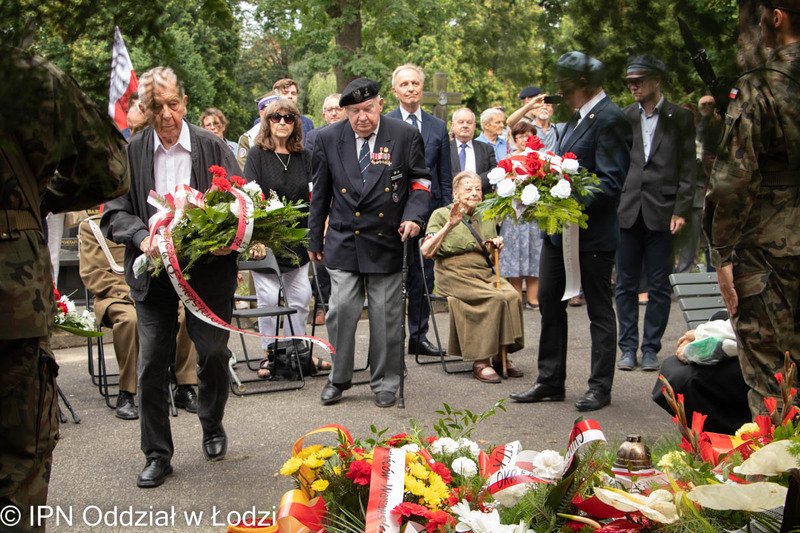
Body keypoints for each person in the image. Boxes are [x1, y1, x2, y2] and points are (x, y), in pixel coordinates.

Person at [0, 44, 129, 532]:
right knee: (18, 452)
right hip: (10, 293)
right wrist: (40, 199)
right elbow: (109, 168)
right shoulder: (28, 76)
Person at [102, 66, 240, 488]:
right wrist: (142, 237)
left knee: (214, 353)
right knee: (150, 365)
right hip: (154, 274)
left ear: (184, 102)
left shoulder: (212, 146)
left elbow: (243, 199)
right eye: (156, 107)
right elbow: (114, 213)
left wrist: (226, 236)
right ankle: (157, 454)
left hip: (207, 272)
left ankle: (211, 422)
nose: (166, 114)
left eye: (173, 104)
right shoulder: (130, 152)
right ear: (143, 109)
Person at [510, 51, 633, 412]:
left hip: (591, 235)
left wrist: (561, 204)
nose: (557, 89)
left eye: (563, 81)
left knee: (598, 309)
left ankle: (599, 387)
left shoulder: (610, 118)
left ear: (582, 82)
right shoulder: (576, 119)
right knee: (549, 300)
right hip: (558, 233)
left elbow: (611, 182)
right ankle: (550, 380)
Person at [308, 78, 431, 408]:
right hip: (344, 239)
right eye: (353, 111)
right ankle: (339, 377)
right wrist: (313, 235)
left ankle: (386, 381)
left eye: (367, 109)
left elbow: (420, 181)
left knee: (386, 316)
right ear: (344, 111)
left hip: (388, 238)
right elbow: (319, 193)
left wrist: (414, 217)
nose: (362, 117)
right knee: (341, 309)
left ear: (379, 104)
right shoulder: (327, 138)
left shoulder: (403, 135)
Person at [703, 0, 800, 418]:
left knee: (774, 381)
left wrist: (722, 254)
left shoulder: (761, 86)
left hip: (772, 252)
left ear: (776, 17)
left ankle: (779, 481)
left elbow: (733, 181)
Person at [615, 54, 696, 372]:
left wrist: (681, 209)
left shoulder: (680, 117)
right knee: (625, 284)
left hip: (664, 212)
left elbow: (689, 169)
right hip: (627, 210)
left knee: (660, 286)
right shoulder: (624, 118)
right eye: (630, 81)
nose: (633, 86)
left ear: (657, 81)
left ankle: (650, 348)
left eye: (639, 80)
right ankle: (627, 348)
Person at [78, 214, 199, 421]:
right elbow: (93, 274)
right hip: (115, 295)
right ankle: (126, 393)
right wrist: (127, 293)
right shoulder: (92, 227)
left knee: (188, 313)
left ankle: (185, 385)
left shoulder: (147, 219)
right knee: (130, 320)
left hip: (151, 287)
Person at [243, 98, 331, 378]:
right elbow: (250, 197)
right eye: (276, 117)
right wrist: (255, 239)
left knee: (301, 296)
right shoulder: (257, 154)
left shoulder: (304, 156)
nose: (282, 122)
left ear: (296, 124)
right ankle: (272, 355)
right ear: (267, 122)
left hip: (299, 238)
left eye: (289, 118)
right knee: (268, 298)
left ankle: (298, 352)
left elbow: (315, 197)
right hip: (265, 239)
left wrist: (318, 231)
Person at [421, 171, 524, 382]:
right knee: (493, 298)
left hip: (482, 273)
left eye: (478, 189)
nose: (474, 193)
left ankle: (500, 354)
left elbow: (489, 251)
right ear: (456, 194)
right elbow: (426, 251)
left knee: (512, 296)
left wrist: (496, 245)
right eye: (468, 189)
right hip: (453, 274)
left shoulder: (486, 215)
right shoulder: (440, 214)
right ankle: (481, 360)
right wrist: (450, 225)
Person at [386, 63, 453, 357]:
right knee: (391, 276)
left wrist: (448, 212)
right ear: (395, 90)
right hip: (392, 213)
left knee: (423, 276)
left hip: (431, 212)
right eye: (405, 84)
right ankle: (390, 339)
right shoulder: (384, 123)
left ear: (421, 88)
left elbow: (445, 175)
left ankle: (418, 336)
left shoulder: (438, 126)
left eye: (415, 83)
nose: (410, 88)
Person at [652, 310, 751, 435]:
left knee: (684, 378)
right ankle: (712, 437)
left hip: (757, 359)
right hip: (738, 342)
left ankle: (725, 435)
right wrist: (694, 342)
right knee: (674, 369)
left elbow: (748, 328)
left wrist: (697, 336)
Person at [304, 93, 344, 326]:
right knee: (322, 257)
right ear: (323, 114)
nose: (334, 113)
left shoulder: (355, 134)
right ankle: (321, 305)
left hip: (348, 204)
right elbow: (313, 173)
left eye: (338, 108)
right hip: (323, 201)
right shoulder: (314, 136)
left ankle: (343, 305)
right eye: (330, 109)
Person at [499, 121, 543, 310]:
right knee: (513, 255)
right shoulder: (508, 160)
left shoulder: (543, 159)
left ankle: (534, 298)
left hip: (535, 214)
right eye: (521, 136)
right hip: (514, 214)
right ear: (514, 139)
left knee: (535, 254)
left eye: (529, 135)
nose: (525, 139)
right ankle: (516, 297)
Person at [449, 108, 497, 196]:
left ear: (474, 126)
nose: (465, 125)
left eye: (469, 122)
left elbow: (494, 170)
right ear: (453, 125)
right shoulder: (444, 149)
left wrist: (475, 182)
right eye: (461, 122)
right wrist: (462, 183)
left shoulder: (486, 149)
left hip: (480, 201)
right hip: (452, 199)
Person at [237, 93, 279, 171]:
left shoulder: (289, 134)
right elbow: (243, 170)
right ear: (261, 114)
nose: (276, 118)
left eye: (278, 114)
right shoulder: (248, 138)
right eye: (271, 114)